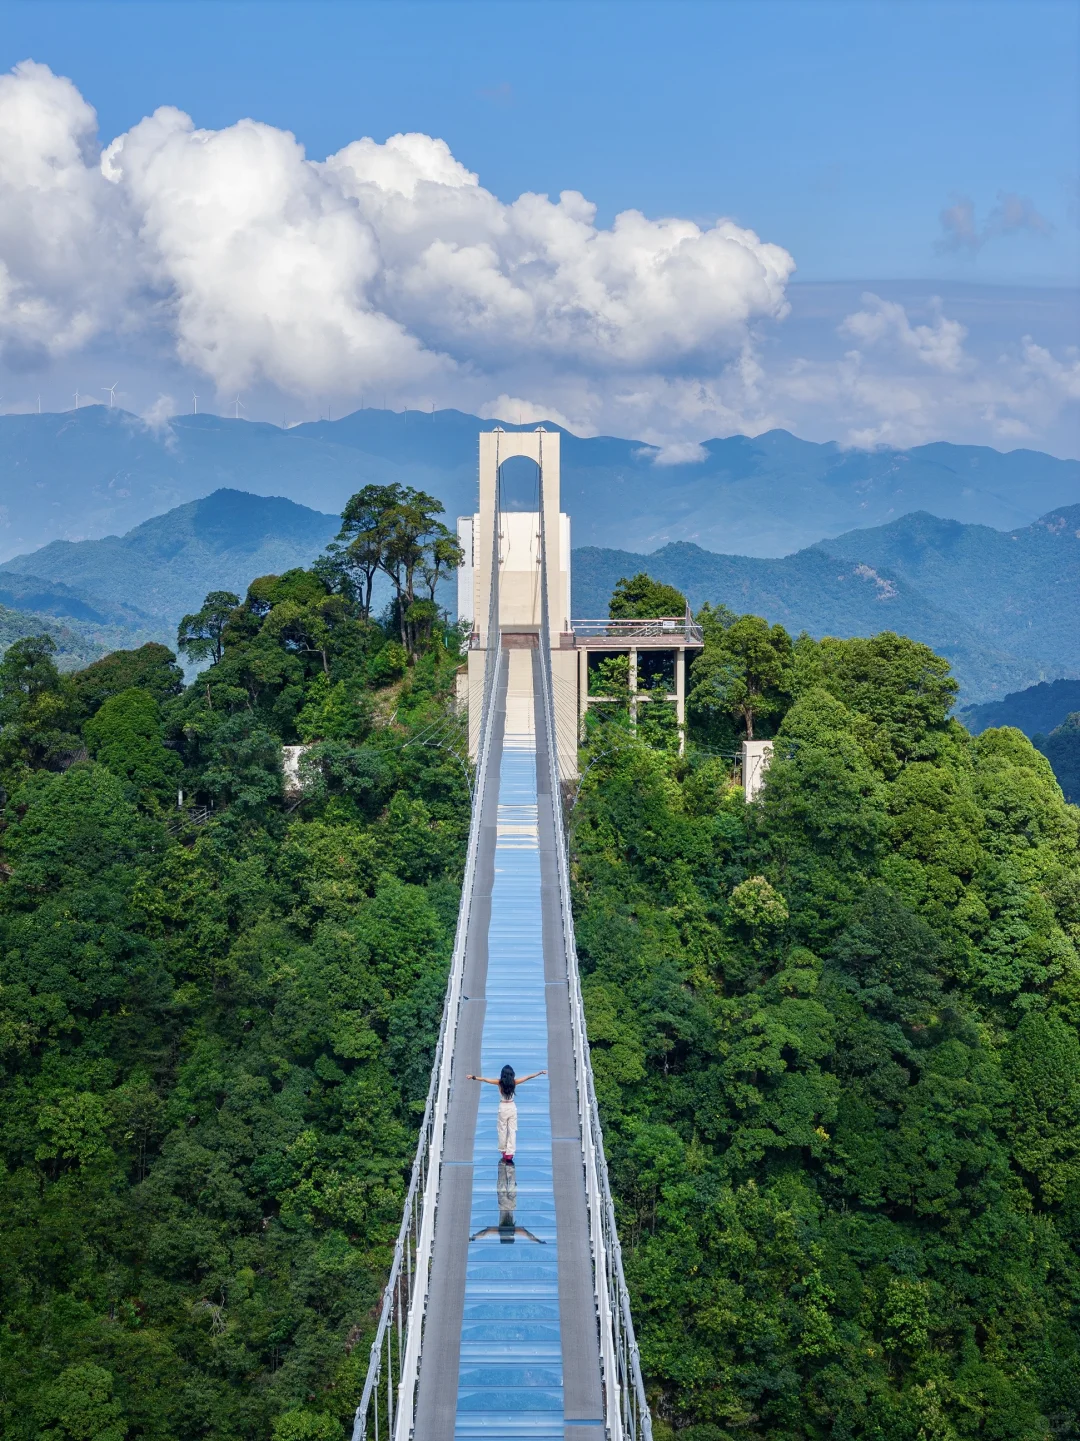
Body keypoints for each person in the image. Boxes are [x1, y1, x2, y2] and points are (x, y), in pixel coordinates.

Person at [465, 1063, 546, 1162]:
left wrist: (473, 1077)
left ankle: (503, 1150)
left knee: (502, 1129)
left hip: (503, 1107)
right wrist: (539, 1073)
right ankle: (510, 1153)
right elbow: (528, 1077)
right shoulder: (514, 1082)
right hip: (512, 1106)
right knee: (512, 1130)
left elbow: (485, 1079)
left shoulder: (499, 1083)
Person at [469, 1159, 545, 1244]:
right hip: (506, 1203)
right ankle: (505, 1164)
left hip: (509, 1204)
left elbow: (486, 1232)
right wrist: (473, 1237)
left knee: (508, 1181)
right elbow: (486, 1232)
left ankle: (506, 1164)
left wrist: (474, 1237)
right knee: (505, 1181)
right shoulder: (502, 1231)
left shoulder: (509, 1231)